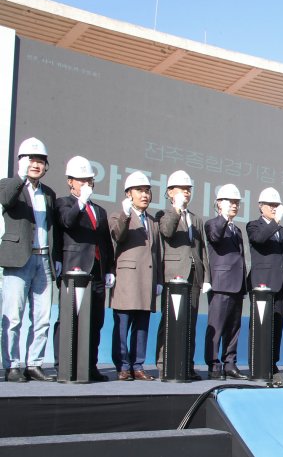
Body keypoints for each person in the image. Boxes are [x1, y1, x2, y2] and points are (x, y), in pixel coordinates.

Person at [0, 138, 58, 382]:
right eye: (31, 159)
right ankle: (12, 365)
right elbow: (6, 201)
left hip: (43, 259)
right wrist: (21, 178)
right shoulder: (9, 185)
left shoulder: (48, 193)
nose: (36, 165)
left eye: (40, 161)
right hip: (18, 259)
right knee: (13, 316)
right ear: (21, 161)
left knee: (42, 317)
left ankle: (34, 363)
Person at [54, 156, 115, 382]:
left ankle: (90, 366)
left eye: (89, 180)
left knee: (95, 321)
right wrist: (81, 203)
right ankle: (64, 364)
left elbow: (106, 242)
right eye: (81, 181)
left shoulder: (99, 210)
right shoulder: (63, 203)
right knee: (70, 318)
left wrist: (109, 268)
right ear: (70, 181)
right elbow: (67, 222)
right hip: (74, 270)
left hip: (96, 272)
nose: (86, 185)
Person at [155, 170, 209, 381]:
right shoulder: (163, 215)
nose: (186, 193)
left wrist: (206, 277)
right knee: (169, 320)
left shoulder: (195, 219)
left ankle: (187, 363)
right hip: (174, 276)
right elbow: (167, 232)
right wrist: (177, 210)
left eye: (188, 189)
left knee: (191, 321)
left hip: (194, 276)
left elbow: (202, 249)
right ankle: (164, 362)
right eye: (181, 189)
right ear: (170, 192)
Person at [109, 170, 163, 381]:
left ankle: (138, 365)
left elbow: (157, 253)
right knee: (122, 326)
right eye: (139, 190)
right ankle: (123, 366)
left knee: (141, 327)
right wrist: (125, 214)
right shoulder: (118, 215)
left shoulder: (152, 221)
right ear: (128, 193)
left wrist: (158, 280)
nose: (144, 195)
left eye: (147, 191)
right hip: (126, 280)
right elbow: (118, 234)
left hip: (146, 281)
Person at [246, 187, 283, 374]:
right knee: (259, 324)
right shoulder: (253, 225)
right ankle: (257, 362)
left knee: (277, 325)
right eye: (271, 205)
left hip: (281, 284)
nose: (274, 208)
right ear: (261, 206)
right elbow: (259, 239)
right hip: (262, 285)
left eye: (277, 205)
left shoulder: (281, 231)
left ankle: (272, 362)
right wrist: (275, 221)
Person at [204, 184, 248, 380]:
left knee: (233, 328)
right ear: (219, 204)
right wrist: (223, 216)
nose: (234, 205)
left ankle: (230, 363)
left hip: (237, 284)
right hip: (221, 284)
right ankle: (214, 365)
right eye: (230, 202)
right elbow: (215, 237)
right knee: (217, 326)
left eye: (237, 202)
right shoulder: (213, 223)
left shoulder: (237, 230)